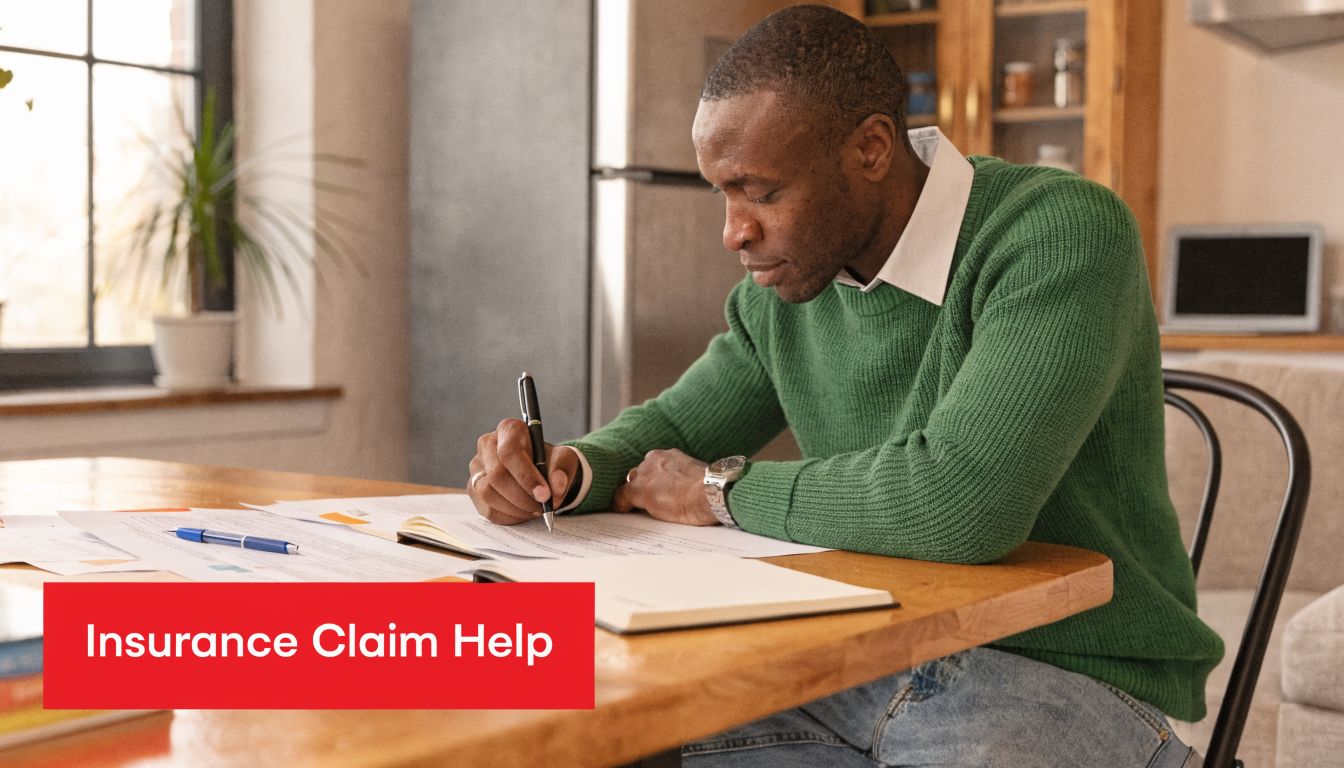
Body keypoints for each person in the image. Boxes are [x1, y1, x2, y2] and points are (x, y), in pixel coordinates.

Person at [466, 5, 1220, 766]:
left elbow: (962, 502)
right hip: (858, 652)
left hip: (1054, 671)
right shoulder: (786, 291)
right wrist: (568, 470)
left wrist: (718, 491)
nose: (733, 232)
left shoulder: (1058, 232)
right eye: (721, 193)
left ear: (870, 148)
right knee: (496, 697)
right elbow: (676, 431)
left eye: (761, 192)